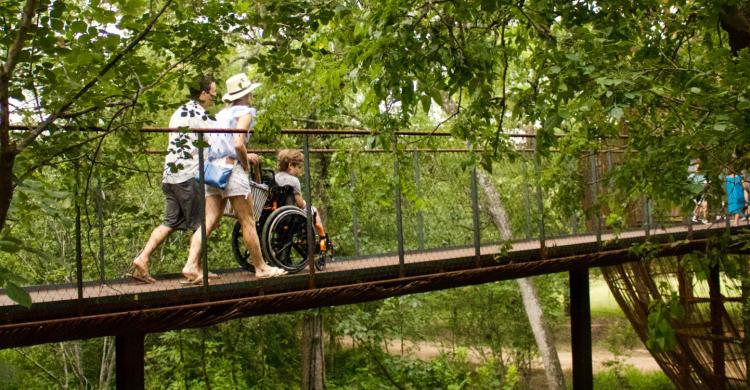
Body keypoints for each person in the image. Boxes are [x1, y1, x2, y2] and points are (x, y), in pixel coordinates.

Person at [182, 73, 286, 282]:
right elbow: (239, 143)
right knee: (248, 219)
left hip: (213, 170)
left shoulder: (220, 115)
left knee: (209, 220)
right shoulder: (246, 112)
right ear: (247, 93)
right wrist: (246, 165)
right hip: (232, 169)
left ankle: (191, 264)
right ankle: (261, 268)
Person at [129, 75, 217, 283]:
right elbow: (213, 143)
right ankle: (194, 268)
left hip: (170, 176)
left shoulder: (179, 112)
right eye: (213, 93)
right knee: (201, 224)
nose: (215, 97)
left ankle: (142, 257)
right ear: (203, 93)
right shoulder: (198, 114)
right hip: (188, 176)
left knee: (170, 222)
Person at [275, 149, 331, 251]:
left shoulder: (275, 177)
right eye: (299, 167)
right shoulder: (294, 181)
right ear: (291, 165)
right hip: (291, 216)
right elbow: (300, 204)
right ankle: (322, 237)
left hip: (276, 215)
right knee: (313, 210)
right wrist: (305, 203)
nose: (301, 170)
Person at [688, 159, 709, 224]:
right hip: (695, 194)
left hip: (701, 194)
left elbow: (705, 184)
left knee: (702, 206)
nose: (697, 169)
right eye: (696, 168)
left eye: (698, 168)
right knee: (704, 205)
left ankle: (695, 216)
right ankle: (704, 219)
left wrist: (707, 184)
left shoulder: (702, 175)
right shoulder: (691, 176)